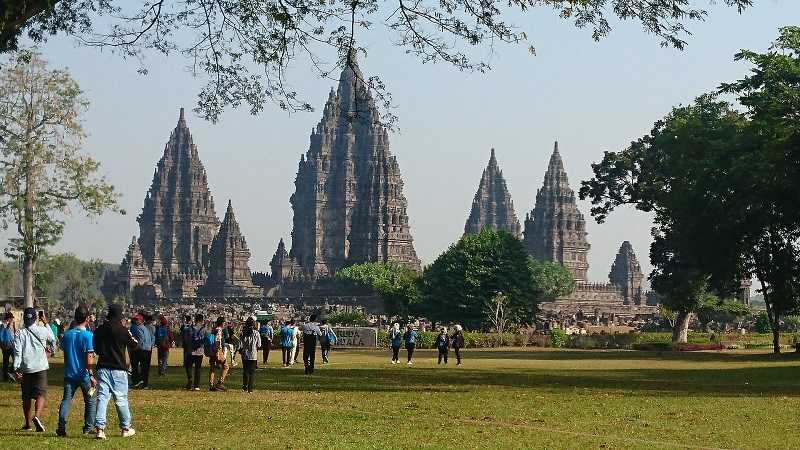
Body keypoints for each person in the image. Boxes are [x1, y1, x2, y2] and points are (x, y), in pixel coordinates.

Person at [93, 303, 137, 440]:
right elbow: (135, 343)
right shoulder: (123, 330)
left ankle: (100, 429)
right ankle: (125, 428)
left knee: (102, 398)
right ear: (120, 316)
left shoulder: (100, 329)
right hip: (119, 369)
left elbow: (96, 348)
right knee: (121, 399)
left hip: (103, 368)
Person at [13, 307, 56, 432]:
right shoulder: (42, 330)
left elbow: (17, 351)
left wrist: (17, 368)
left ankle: (27, 424)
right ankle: (37, 416)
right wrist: (46, 323)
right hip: (41, 367)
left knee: (26, 397)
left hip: (26, 368)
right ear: (36, 318)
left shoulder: (19, 333)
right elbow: (52, 338)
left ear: (24, 318)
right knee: (41, 394)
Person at [57, 306, 97, 437]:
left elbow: (65, 352)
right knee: (91, 399)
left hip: (69, 373)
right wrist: (91, 374)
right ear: (87, 319)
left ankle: (61, 426)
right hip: (84, 374)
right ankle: (88, 427)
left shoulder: (67, 335)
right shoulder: (88, 335)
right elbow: (89, 357)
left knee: (66, 400)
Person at [129, 314, 154, 389]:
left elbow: (141, 339)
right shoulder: (144, 327)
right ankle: (145, 384)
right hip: (147, 349)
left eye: (137, 319)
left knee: (135, 366)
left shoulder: (137, 327)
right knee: (145, 368)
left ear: (141, 320)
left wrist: (135, 347)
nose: (136, 320)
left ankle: (137, 381)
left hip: (141, 350)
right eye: (135, 319)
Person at [238, 317, 261, 393]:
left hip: (244, 354)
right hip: (253, 354)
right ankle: (250, 389)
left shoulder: (242, 333)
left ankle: (245, 386)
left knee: (245, 371)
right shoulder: (256, 333)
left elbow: (240, 344)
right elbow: (259, 345)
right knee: (252, 372)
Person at [207, 317, 229, 391]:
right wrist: (217, 352)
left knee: (212, 368)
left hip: (211, 350)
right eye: (224, 323)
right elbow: (217, 341)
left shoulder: (214, 329)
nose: (225, 324)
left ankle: (211, 385)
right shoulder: (219, 330)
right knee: (226, 366)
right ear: (221, 323)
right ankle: (220, 382)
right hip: (217, 350)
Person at [186, 314, 206, 391]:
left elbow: (187, 340)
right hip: (200, 352)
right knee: (198, 369)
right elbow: (206, 340)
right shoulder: (203, 329)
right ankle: (196, 385)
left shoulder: (190, 329)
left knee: (189, 366)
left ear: (195, 319)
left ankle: (190, 379)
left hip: (191, 351)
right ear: (201, 320)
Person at [1, 312, 17, 381]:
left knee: (16, 359)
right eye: (11, 318)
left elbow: (13, 334)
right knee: (6, 361)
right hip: (6, 345)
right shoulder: (3, 325)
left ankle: (10, 372)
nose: (13, 319)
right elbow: (1, 335)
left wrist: (13, 326)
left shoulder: (11, 325)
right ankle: (5, 376)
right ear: (9, 318)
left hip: (12, 345)